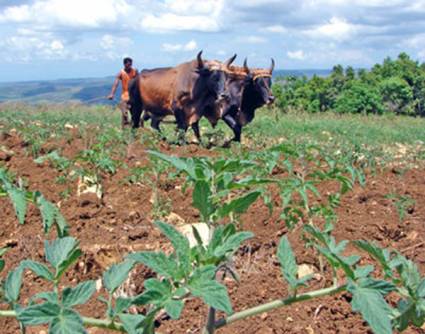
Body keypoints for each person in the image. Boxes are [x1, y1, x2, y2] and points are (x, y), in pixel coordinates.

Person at [108, 57, 138, 127]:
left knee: (135, 114)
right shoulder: (121, 73)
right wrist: (112, 94)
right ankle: (125, 128)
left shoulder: (135, 71)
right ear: (124, 64)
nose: (130, 66)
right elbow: (115, 84)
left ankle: (134, 127)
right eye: (128, 64)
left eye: (131, 64)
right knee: (124, 114)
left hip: (134, 96)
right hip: (125, 95)